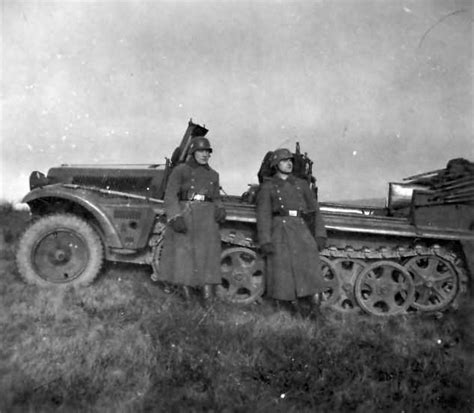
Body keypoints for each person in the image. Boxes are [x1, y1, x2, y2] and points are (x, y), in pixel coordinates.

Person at [256, 148, 327, 318]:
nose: (289, 164)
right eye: (284, 161)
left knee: (309, 270)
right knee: (283, 275)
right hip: (280, 230)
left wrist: (319, 234)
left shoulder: (301, 185)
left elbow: (314, 210)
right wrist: (265, 240)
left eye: (290, 161)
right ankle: (287, 311)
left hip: (301, 229)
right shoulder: (268, 187)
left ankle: (313, 311)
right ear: (275, 164)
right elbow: (263, 215)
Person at [158, 136, 226, 304]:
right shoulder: (181, 170)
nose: (205, 155)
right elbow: (170, 196)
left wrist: (220, 208)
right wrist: (175, 216)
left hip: (207, 218)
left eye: (207, 152)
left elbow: (216, 197)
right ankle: (187, 296)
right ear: (193, 152)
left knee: (208, 256)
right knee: (184, 257)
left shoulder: (213, 174)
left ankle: (208, 297)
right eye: (201, 151)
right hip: (186, 214)